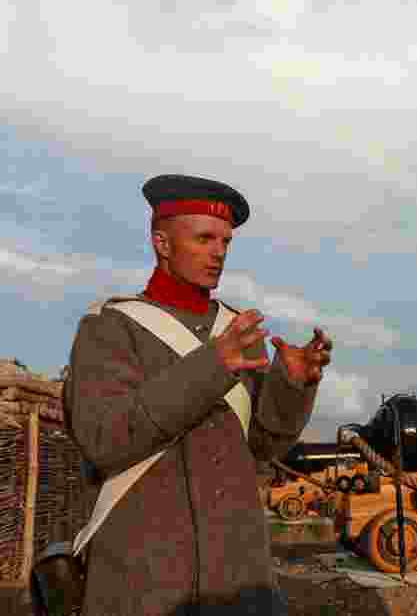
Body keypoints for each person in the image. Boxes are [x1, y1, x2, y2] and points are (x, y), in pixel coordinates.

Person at [63, 174, 332, 615]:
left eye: (225, 241)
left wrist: (292, 385)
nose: (219, 251)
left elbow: (261, 449)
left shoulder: (239, 331)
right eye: (204, 238)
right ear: (162, 243)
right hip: (144, 582)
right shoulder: (110, 326)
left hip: (239, 583)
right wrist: (212, 365)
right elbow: (104, 440)